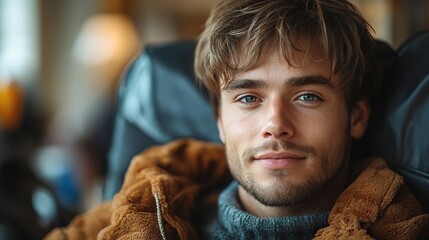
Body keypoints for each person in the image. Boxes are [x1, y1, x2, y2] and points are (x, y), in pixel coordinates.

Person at [45, 0, 429, 239]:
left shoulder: (405, 227)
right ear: (218, 121)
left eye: (307, 96)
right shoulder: (131, 216)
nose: (275, 123)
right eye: (248, 98)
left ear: (356, 117)